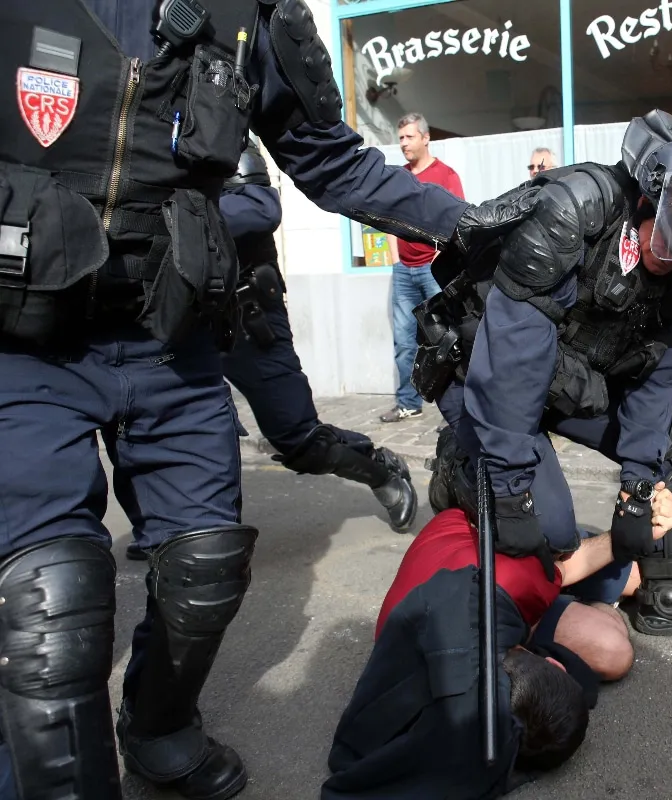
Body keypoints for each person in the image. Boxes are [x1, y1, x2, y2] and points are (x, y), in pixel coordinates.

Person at [0, 2, 535, 798]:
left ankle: (157, 725)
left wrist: (475, 225)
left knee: (205, 567)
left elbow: (332, 162)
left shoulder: (250, 17)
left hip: (171, 338)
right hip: (26, 337)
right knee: (52, 609)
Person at [414, 111, 672, 640]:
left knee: (668, 443)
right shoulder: (582, 207)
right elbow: (510, 364)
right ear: (655, 196)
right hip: (484, 377)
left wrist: (638, 486)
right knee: (548, 528)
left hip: (568, 381)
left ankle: (670, 598)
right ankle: (457, 466)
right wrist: (510, 486)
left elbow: (654, 372)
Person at [124, 140, 418, 565]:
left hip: (246, 313)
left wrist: (166, 218)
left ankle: (379, 469)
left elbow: (261, 209)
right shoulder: (134, 133)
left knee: (298, 438)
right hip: (172, 315)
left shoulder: (212, 124)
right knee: (156, 424)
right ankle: (170, 529)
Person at [323, 485, 672, 798]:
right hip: (495, 575)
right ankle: (602, 593)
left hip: (514, 549)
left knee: (629, 575)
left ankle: (592, 552)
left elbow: (570, 565)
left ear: (551, 660)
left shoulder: (514, 583)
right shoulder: (424, 682)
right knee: (612, 652)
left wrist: (637, 530)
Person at [381, 112, 466, 423]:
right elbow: (388, 218)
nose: (403, 143)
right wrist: (394, 260)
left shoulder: (446, 176)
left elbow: (459, 222)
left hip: (434, 272)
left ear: (426, 138)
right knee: (404, 343)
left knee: (450, 337)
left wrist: (439, 259)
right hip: (404, 271)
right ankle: (408, 403)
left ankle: (462, 404)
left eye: (409, 137)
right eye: (400, 137)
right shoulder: (399, 178)